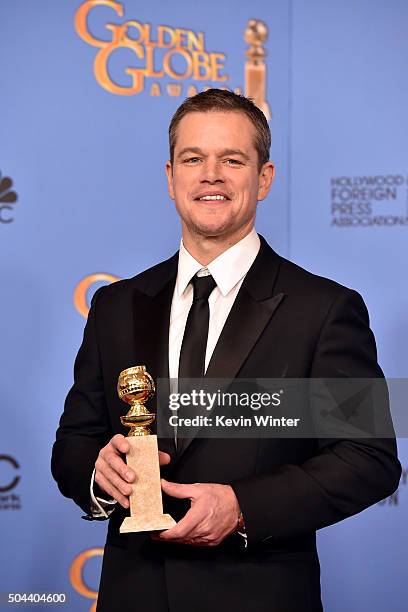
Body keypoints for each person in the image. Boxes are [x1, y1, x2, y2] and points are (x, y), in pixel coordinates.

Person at [52, 89, 401, 612]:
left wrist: (242, 508)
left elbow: (368, 458)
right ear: (171, 177)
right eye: (194, 159)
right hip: (134, 592)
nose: (210, 174)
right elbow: (74, 445)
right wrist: (99, 476)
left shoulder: (324, 309)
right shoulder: (115, 306)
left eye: (231, 159)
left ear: (263, 178)